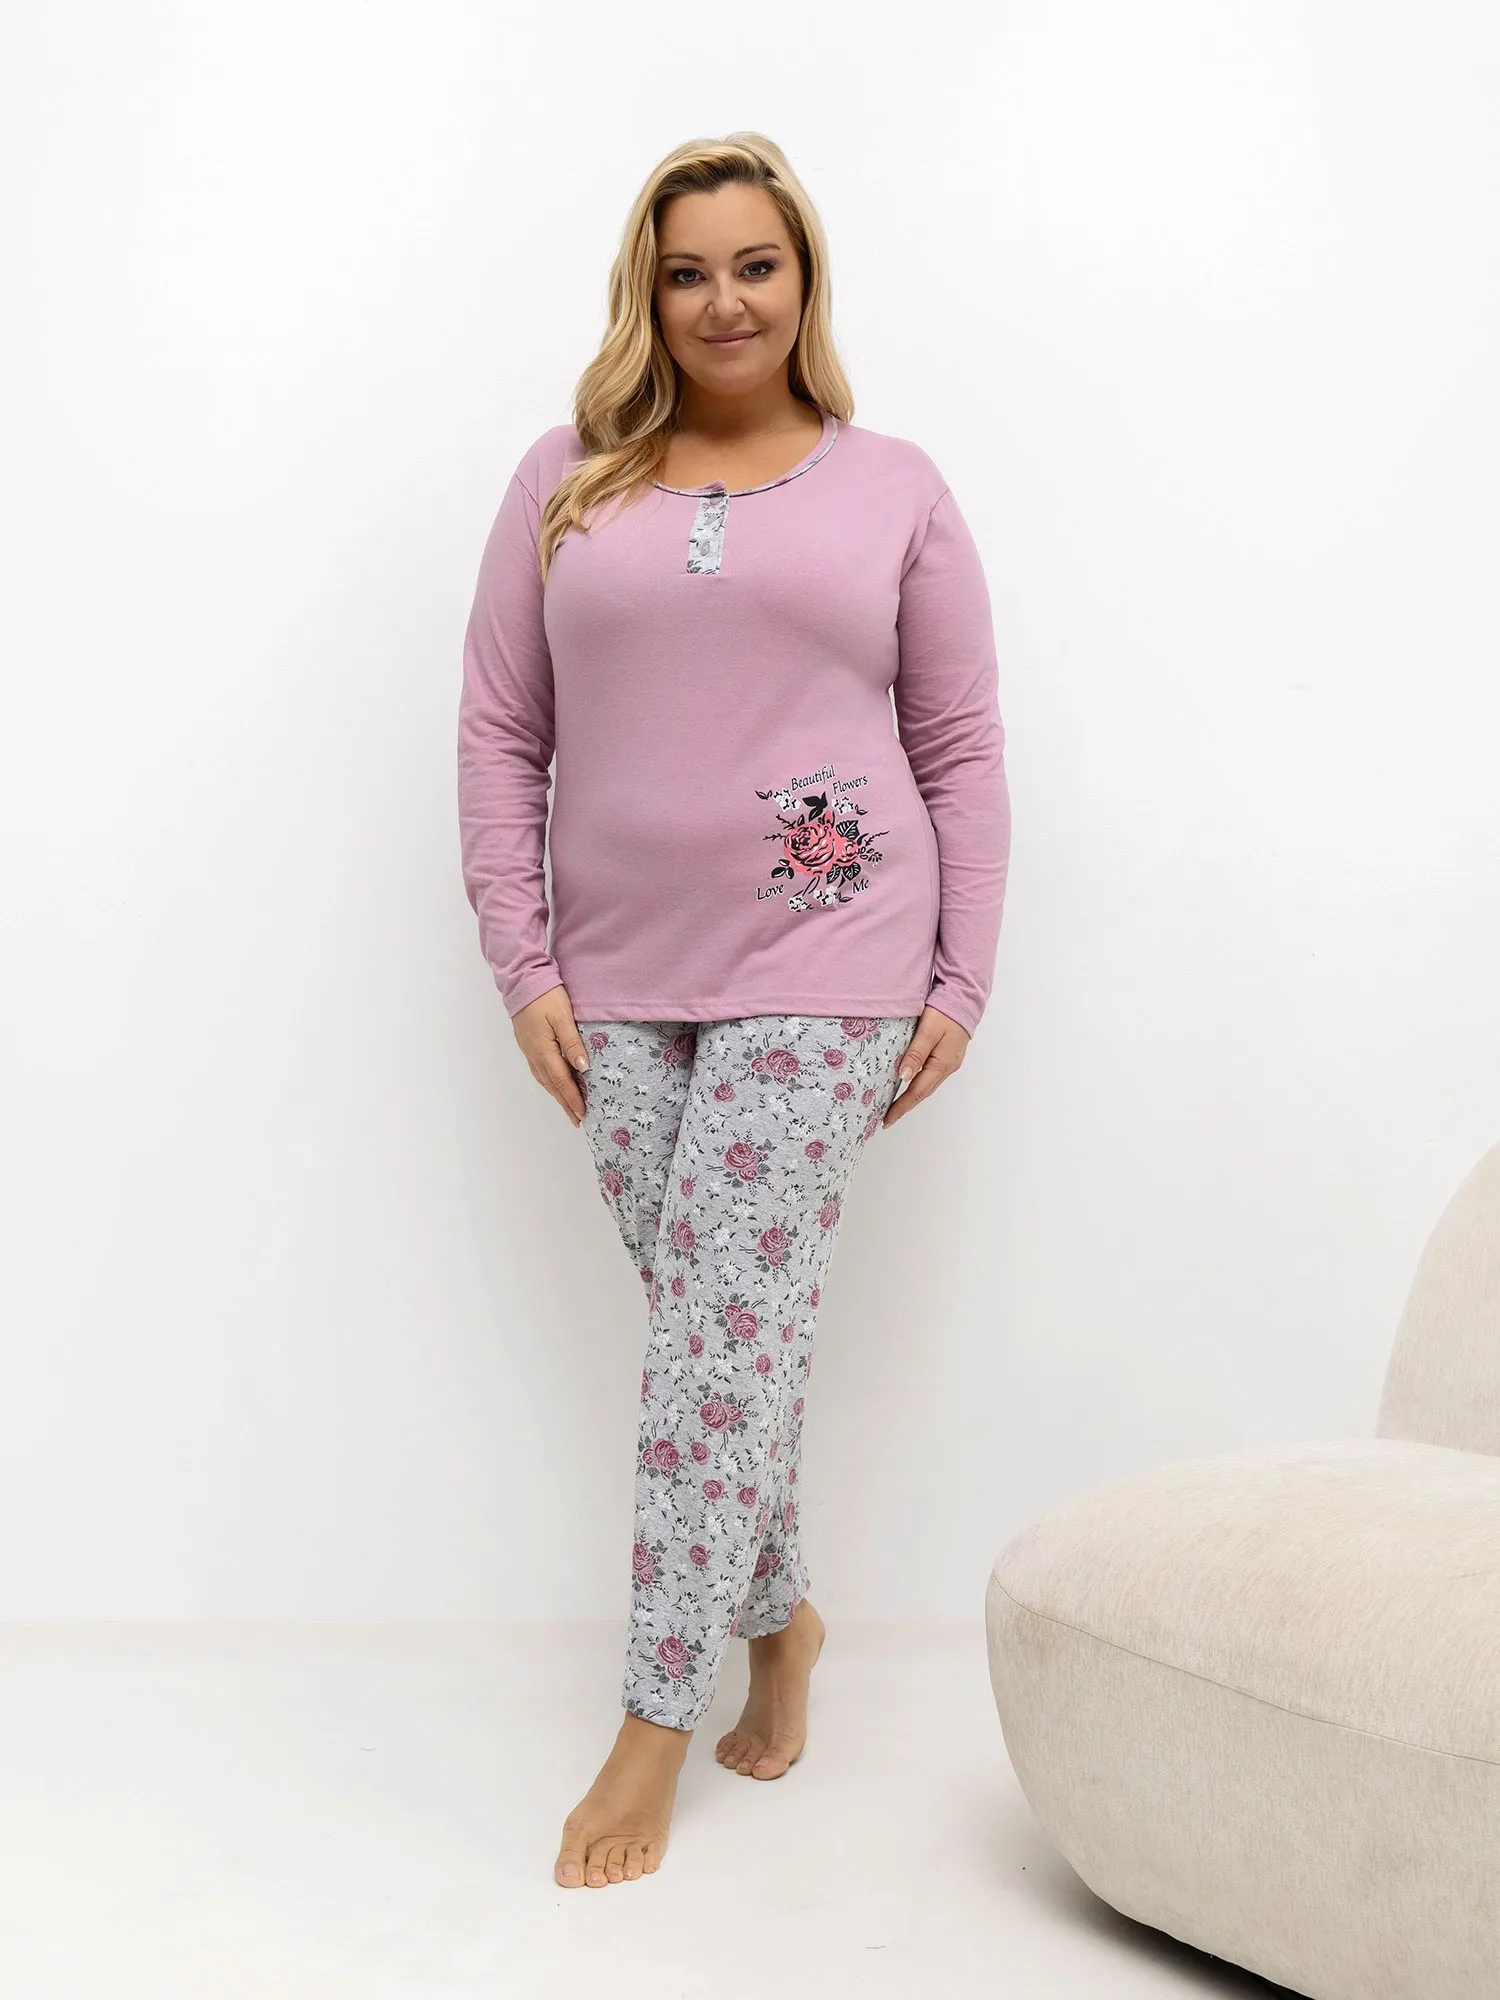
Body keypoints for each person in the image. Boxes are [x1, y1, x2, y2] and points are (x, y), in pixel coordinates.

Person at [456, 130, 1012, 1890]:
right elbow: (501, 730)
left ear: (804, 278)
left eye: (754, 265)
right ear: (648, 290)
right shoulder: (564, 480)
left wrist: (963, 972)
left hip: (831, 963)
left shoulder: (895, 487)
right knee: (725, 1335)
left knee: (713, 1339)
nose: (722, 301)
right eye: (687, 270)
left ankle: (651, 1720)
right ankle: (782, 1617)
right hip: (618, 974)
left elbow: (958, 746)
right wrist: (524, 962)